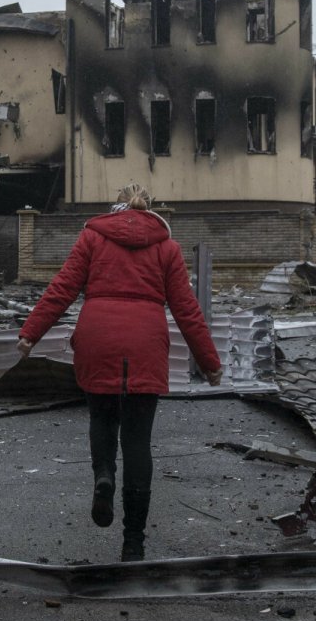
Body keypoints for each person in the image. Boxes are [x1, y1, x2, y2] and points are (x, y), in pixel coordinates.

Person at [16, 184, 223, 562]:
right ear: (152, 210)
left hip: (99, 338)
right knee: (138, 441)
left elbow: (61, 289)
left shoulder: (93, 237)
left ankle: (103, 477)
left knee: (102, 418)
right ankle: (133, 543)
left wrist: (31, 332)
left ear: (116, 208)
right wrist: (209, 363)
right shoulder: (167, 248)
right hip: (145, 343)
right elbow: (187, 310)